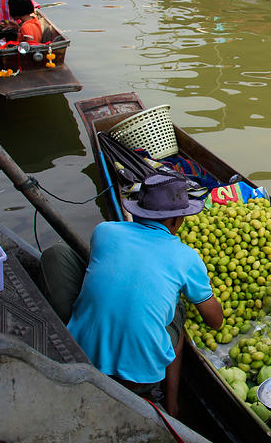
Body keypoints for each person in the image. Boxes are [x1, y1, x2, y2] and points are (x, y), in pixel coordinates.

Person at [60, 172, 223, 417]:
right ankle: (171, 402)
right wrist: (204, 286)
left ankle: (74, 329)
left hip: (77, 354)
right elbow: (215, 321)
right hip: (138, 377)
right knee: (178, 308)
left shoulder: (104, 231)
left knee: (58, 256)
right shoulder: (186, 257)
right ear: (177, 220)